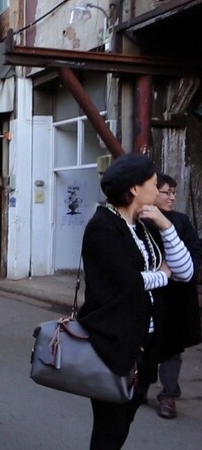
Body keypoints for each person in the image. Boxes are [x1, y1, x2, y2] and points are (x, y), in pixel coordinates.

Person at [78, 154, 192, 449]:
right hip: (114, 345)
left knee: (124, 421)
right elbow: (126, 282)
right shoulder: (103, 227)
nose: (159, 191)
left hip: (145, 344)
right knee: (109, 427)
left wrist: (165, 225)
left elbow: (185, 271)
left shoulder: (144, 225)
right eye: (154, 185)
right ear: (134, 190)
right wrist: (162, 275)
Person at [143, 173, 202, 419]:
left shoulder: (181, 221)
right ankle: (139, 387)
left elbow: (195, 255)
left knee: (172, 347)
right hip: (149, 294)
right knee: (144, 343)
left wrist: (186, 269)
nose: (171, 197)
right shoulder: (141, 221)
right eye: (166, 192)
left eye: (174, 192)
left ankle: (168, 394)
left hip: (176, 296)